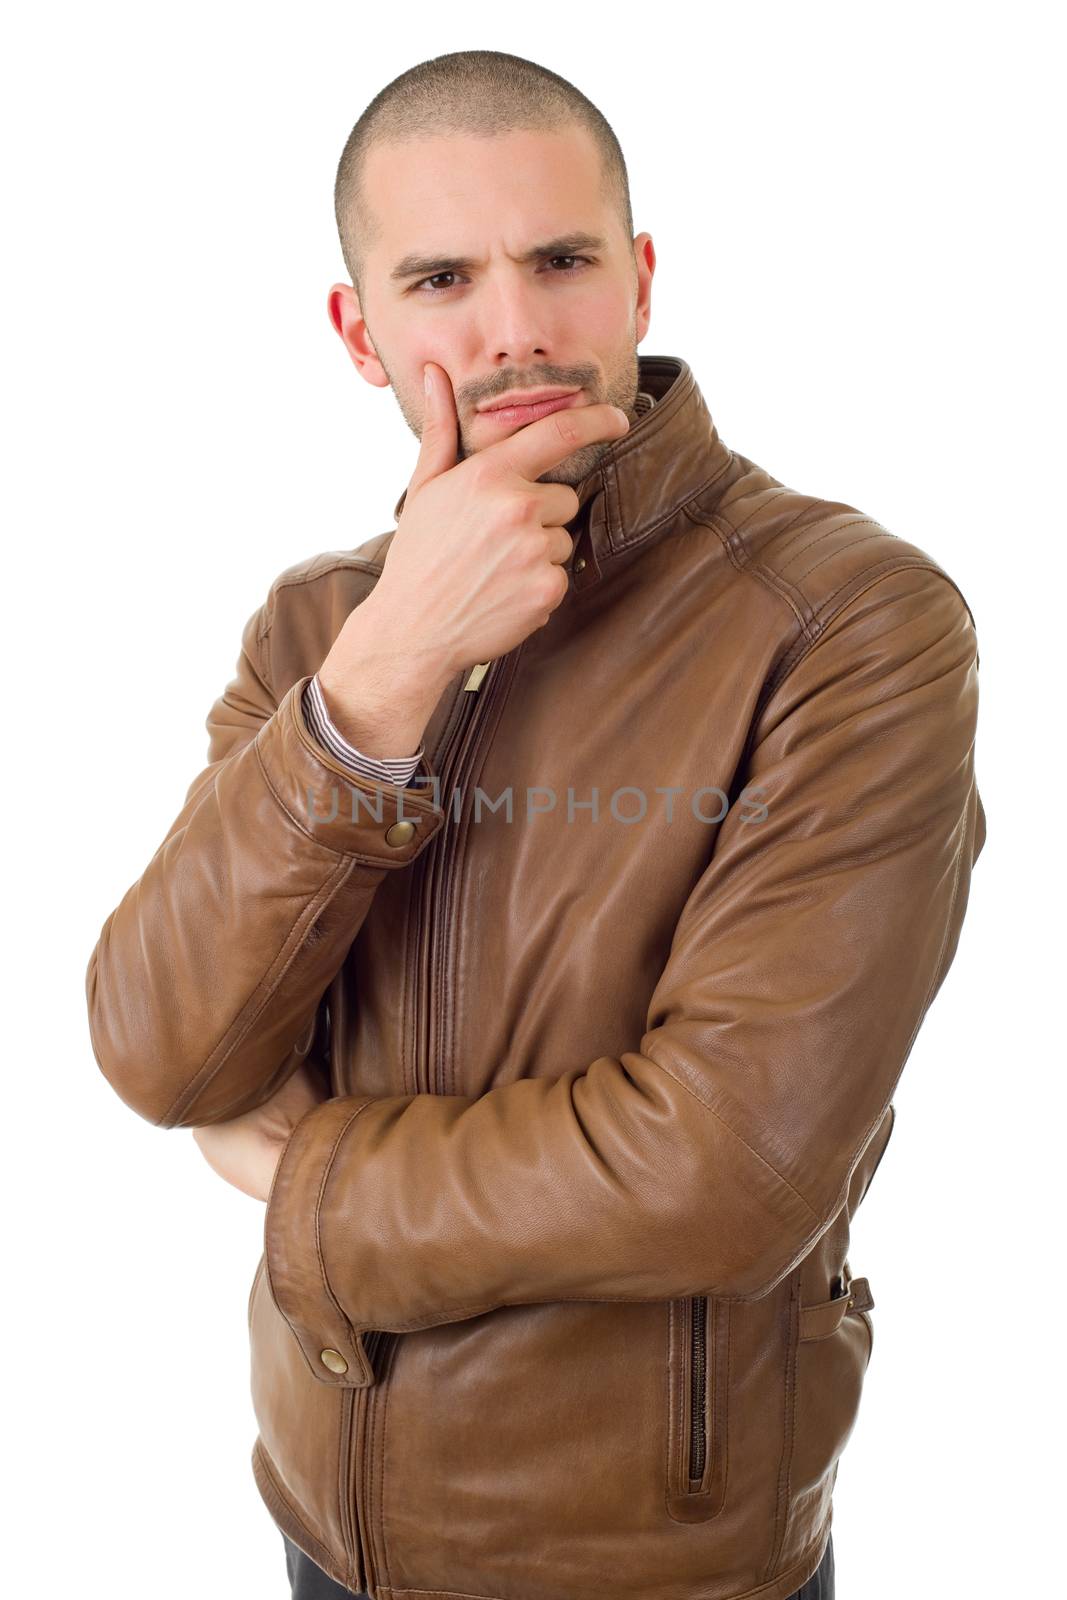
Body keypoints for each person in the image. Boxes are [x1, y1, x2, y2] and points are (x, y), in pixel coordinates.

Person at [85, 48, 985, 1600]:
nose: (516, 332)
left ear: (638, 278)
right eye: (441, 278)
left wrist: (307, 1181)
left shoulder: (850, 621)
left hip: (657, 1563)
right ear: (359, 333)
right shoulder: (319, 629)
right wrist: (383, 672)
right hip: (323, 1525)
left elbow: (731, 1163)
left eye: (561, 260)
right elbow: (161, 1051)